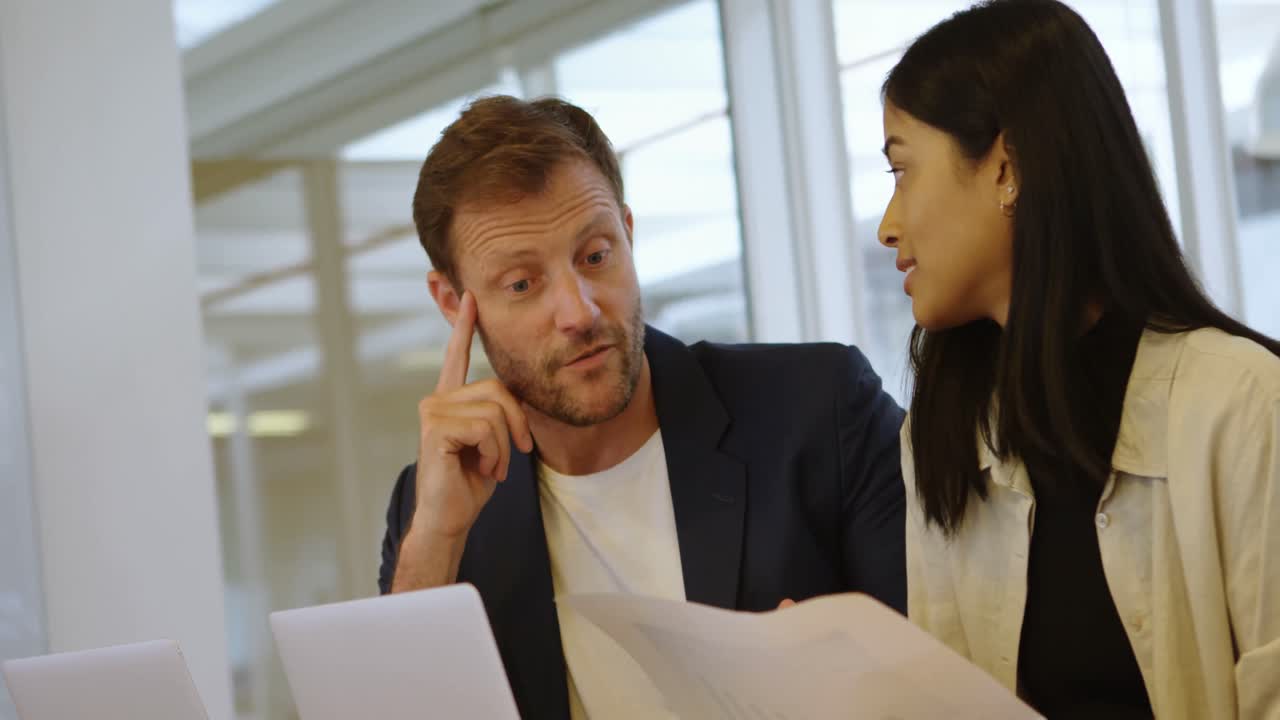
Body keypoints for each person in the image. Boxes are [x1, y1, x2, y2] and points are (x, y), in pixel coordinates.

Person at [378, 95, 906, 720]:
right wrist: (434, 542)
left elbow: (956, 671)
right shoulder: (435, 510)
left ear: (627, 233)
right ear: (452, 302)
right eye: (522, 284)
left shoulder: (819, 410)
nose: (579, 312)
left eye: (595, 256)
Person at [876, 1, 1280, 718]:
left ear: (1007, 169)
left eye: (902, 172)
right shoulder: (942, 433)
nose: (888, 224)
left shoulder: (1244, 404)